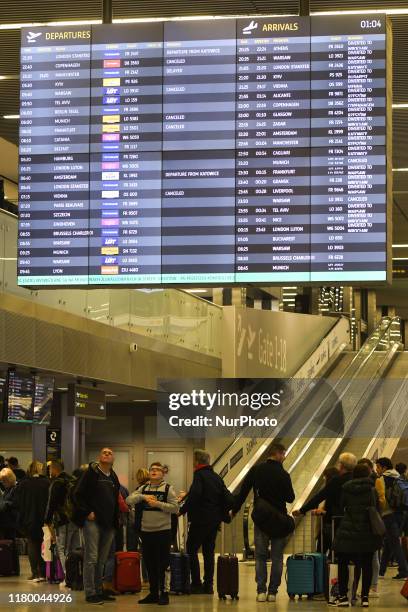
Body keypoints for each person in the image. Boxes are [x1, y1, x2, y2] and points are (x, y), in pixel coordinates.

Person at [233, 443, 295, 602]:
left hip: (262, 519)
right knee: (277, 557)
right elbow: (290, 498)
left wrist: (234, 510)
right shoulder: (283, 474)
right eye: (284, 454)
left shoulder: (257, 470)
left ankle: (261, 591)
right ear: (279, 454)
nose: (284, 457)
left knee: (260, 556)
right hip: (279, 520)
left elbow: (243, 492)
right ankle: (273, 592)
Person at [179, 449, 231, 595]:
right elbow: (225, 496)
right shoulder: (216, 477)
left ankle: (196, 583)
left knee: (191, 549)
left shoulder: (199, 475)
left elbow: (196, 495)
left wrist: (182, 510)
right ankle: (209, 585)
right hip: (214, 521)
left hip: (200, 519)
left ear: (196, 461)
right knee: (209, 552)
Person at [126, 461, 179, 606]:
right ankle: (154, 593)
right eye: (152, 469)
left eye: (157, 469)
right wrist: (143, 497)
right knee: (149, 564)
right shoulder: (143, 488)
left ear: (163, 473)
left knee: (163, 564)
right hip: (146, 532)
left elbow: (175, 508)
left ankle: (164, 593)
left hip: (163, 531)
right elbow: (128, 500)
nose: (154, 471)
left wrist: (158, 504)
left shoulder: (168, 489)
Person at [73, 448, 120, 605]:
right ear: (99, 457)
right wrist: (87, 512)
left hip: (108, 524)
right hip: (93, 521)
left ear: (113, 459)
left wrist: (115, 522)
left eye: (109, 453)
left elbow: (115, 501)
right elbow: (77, 494)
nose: (106, 454)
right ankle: (90, 592)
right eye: (104, 452)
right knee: (91, 558)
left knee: (102, 559)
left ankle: (99, 591)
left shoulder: (113, 476)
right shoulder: (91, 473)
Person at [333, 463, 382, 608]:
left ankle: (342, 596)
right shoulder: (372, 489)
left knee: (343, 562)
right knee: (367, 564)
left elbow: (341, 506)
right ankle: (365, 597)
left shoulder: (346, 488)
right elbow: (376, 508)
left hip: (348, 529)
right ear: (368, 474)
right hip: (367, 531)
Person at [293, 452, 358, 547]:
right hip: (351, 520)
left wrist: (302, 510)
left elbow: (320, 496)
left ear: (342, 466)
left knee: (323, 546)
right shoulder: (356, 480)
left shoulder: (336, 481)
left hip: (334, 520)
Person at [44, 459, 79, 584]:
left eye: (50, 468)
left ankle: (68, 577)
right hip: (75, 520)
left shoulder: (56, 483)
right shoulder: (73, 480)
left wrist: (47, 520)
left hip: (62, 519)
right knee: (75, 549)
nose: (49, 471)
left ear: (54, 468)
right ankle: (77, 576)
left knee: (62, 549)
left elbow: (51, 503)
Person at [14, 460, 49, 581]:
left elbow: (17, 502)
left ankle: (35, 572)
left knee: (32, 545)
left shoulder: (23, 484)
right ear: (40, 469)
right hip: (44, 519)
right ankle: (45, 572)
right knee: (45, 545)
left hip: (28, 519)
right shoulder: (46, 483)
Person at [376, 457, 408, 580]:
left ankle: (404, 570)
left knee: (394, 543)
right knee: (389, 541)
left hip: (389, 514)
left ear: (384, 468)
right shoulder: (400, 476)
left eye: (378, 467)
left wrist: (380, 512)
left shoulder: (382, 479)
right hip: (402, 514)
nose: (377, 469)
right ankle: (381, 571)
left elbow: (382, 499)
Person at [357, 458, 383, 598]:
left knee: (373, 557)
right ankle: (366, 588)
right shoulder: (355, 485)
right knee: (368, 558)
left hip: (372, 524)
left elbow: (380, 503)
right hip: (365, 524)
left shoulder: (376, 482)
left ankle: (373, 585)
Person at [0, 467, 19, 539]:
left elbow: (15, 503)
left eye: (3, 480)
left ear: (9, 479)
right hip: (7, 522)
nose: (2, 483)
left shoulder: (16, 488)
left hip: (12, 523)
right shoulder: (8, 489)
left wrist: (3, 504)